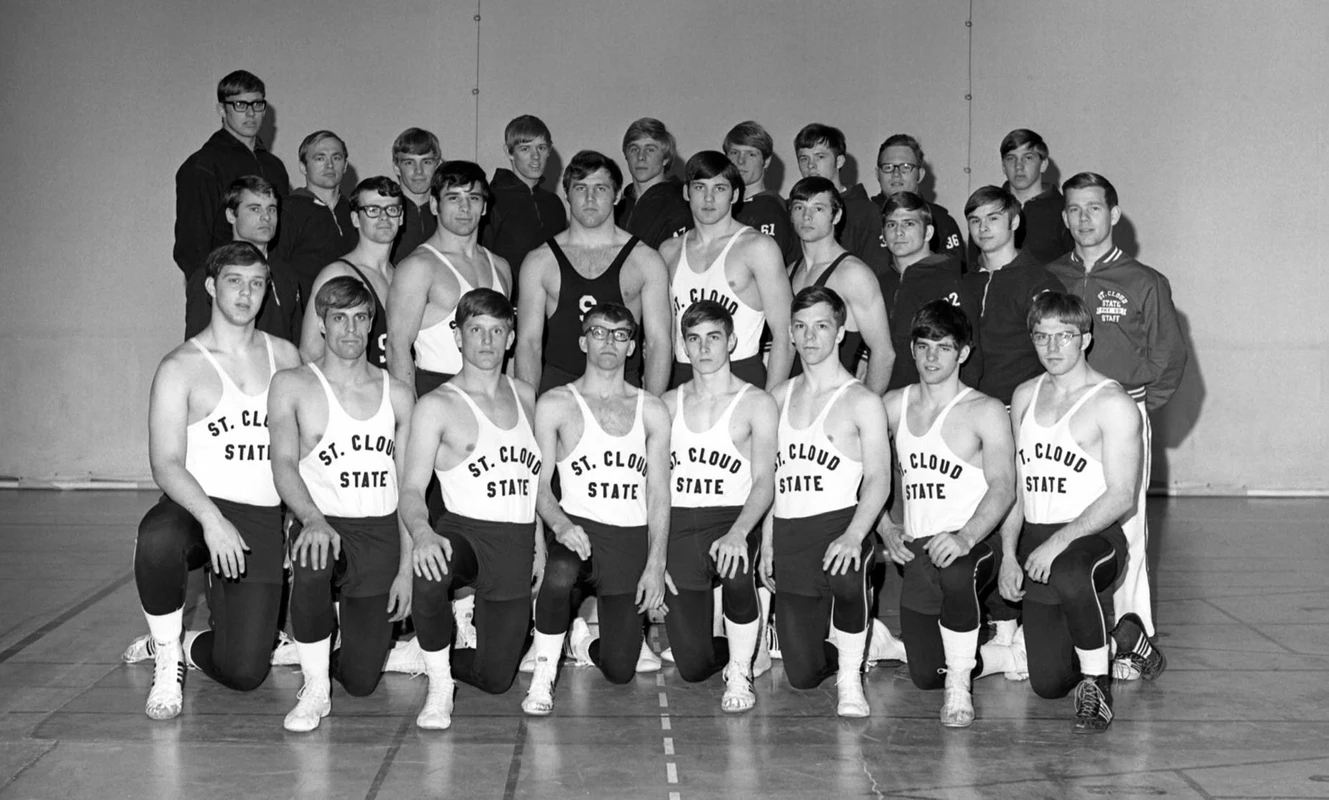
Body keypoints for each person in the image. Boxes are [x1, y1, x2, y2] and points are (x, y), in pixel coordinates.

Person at [122, 242, 302, 720]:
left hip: (260, 514)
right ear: (210, 286)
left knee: (245, 672)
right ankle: (166, 658)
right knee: (158, 539)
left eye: (257, 283)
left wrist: (296, 518)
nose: (246, 293)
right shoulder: (180, 366)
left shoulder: (285, 356)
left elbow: (302, 448)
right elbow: (165, 463)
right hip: (195, 506)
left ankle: (185, 642)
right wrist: (211, 519)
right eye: (234, 281)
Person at [1000, 291, 1167, 733]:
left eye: (1064, 336)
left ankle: (1097, 685)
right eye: (1042, 336)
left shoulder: (1112, 403)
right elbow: (1017, 487)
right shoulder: (1022, 397)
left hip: (1094, 540)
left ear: (1086, 338)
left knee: (1072, 572)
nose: (1053, 348)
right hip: (1036, 539)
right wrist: (1008, 554)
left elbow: (1121, 496)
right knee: (1049, 684)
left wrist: (1057, 543)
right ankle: (1124, 638)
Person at [384, 289, 543, 729]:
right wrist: (423, 533)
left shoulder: (527, 395)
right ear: (457, 337)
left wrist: (541, 545)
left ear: (511, 338)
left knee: (496, 681)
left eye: (497, 331)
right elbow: (412, 489)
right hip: (464, 533)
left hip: (514, 541)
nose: (487, 341)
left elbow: (536, 483)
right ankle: (439, 684)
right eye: (475, 330)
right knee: (431, 569)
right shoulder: (436, 405)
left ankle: (434, 646)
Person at [1046, 172, 1188, 656]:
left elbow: (1169, 356)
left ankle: (1131, 639)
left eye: (1093, 208)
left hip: (1119, 417)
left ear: (1114, 214)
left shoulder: (1143, 281)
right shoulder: (1048, 277)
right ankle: (1067, 635)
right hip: (1059, 420)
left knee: (1126, 526)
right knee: (1058, 521)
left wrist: (1137, 405)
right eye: (1074, 210)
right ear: (1063, 217)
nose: (1084, 218)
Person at [267, 277, 415, 732]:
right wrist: (310, 519)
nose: (351, 329)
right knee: (313, 561)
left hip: (380, 532)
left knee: (362, 681)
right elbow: (284, 464)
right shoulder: (291, 384)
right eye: (339, 318)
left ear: (372, 324)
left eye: (361, 318)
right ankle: (314, 686)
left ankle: (326, 636)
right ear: (323, 325)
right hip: (323, 523)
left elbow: (411, 487)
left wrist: (406, 569)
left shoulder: (399, 392)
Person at [522, 303, 671, 715]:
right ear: (583, 340)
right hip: (579, 532)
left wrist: (656, 562)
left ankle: (582, 642)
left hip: (627, 541)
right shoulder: (555, 403)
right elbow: (537, 483)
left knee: (621, 671)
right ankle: (543, 676)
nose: (609, 341)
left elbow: (659, 494)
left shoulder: (652, 409)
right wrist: (559, 525)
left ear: (632, 346)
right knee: (560, 572)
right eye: (600, 332)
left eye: (620, 334)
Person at [878, 301, 1016, 727]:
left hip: (973, 541)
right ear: (913, 351)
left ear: (964, 353)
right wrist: (885, 527)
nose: (932, 356)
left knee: (957, 571)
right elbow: (860, 471)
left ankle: (961, 684)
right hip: (920, 547)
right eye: (923, 346)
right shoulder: (893, 405)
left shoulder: (985, 410)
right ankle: (1004, 654)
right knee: (923, 676)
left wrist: (966, 537)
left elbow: (1005, 486)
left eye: (943, 346)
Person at [762, 286, 890, 717]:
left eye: (821, 326)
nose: (810, 336)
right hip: (791, 532)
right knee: (801, 674)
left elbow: (879, 480)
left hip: (840, 527)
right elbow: (768, 479)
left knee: (851, 575)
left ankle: (851, 678)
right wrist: (767, 539)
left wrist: (855, 536)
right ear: (790, 335)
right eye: (800, 327)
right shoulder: (776, 399)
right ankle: (847, 652)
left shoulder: (863, 401)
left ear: (839, 333)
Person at [662, 300, 777, 712]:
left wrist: (739, 532)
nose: (704, 348)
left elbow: (766, 480)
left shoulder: (756, 402)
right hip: (680, 526)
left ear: (731, 341)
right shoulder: (667, 404)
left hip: (732, 520)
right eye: (694, 339)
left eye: (714, 338)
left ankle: (741, 669)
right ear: (684, 347)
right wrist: (655, 552)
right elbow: (652, 484)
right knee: (692, 668)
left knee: (736, 564)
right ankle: (742, 643)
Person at [516, 150, 672, 395]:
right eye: (580, 188)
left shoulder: (645, 260)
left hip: (624, 391)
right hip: (558, 393)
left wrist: (653, 406)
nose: (590, 198)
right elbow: (528, 345)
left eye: (600, 188)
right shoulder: (539, 261)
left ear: (617, 195)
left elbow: (657, 344)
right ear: (566, 194)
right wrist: (528, 408)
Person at [662, 151, 793, 390]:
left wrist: (772, 401)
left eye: (720, 189)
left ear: (735, 194)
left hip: (742, 378)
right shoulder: (668, 251)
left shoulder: (757, 248)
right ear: (685, 192)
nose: (709, 198)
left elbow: (786, 334)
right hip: (684, 379)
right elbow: (663, 340)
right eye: (700, 187)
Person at [387, 161, 512, 397]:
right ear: (435, 205)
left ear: (484, 206)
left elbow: (508, 344)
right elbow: (397, 347)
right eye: (453, 198)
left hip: (492, 394)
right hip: (436, 393)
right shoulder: (419, 267)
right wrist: (411, 417)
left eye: (473, 198)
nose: (465, 208)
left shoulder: (501, 267)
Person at [174, 70, 290, 280]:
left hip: (273, 288)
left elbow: (284, 238)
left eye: (257, 104)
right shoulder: (203, 165)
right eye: (240, 105)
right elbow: (192, 248)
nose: (250, 113)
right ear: (221, 109)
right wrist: (212, 294)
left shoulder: (274, 167)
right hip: (226, 289)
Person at [786, 176, 894, 393]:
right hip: (797, 400)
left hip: (838, 404)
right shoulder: (789, 271)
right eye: (799, 207)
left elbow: (884, 353)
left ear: (836, 216)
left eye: (818, 208)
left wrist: (865, 410)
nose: (807, 216)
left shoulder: (853, 274)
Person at [961, 185, 1064, 406]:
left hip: (1020, 407)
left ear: (1014, 222)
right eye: (975, 220)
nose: (983, 227)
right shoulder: (963, 282)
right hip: (966, 407)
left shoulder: (1039, 282)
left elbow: (1060, 354)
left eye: (993, 218)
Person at [299, 177, 404, 367]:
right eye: (373, 210)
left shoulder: (403, 275)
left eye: (392, 209)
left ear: (401, 217)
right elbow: (310, 353)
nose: (384, 217)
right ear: (356, 219)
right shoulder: (338, 274)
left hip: (394, 391)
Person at [881, 192, 979, 392]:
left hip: (935, 408)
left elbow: (972, 362)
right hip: (889, 404)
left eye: (909, 224)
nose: (898, 232)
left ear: (928, 233)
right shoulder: (878, 283)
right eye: (891, 224)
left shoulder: (951, 282)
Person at [185, 176, 302, 342]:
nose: (266, 217)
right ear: (231, 215)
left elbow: (296, 342)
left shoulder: (286, 273)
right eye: (255, 209)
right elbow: (196, 350)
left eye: (271, 209)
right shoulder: (210, 274)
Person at [482, 115, 568, 294]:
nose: (535, 157)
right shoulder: (491, 200)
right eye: (525, 148)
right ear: (509, 152)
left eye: (541, 148)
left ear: (549, 150)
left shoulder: (554, 204)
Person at [966, 129, 1074, 267]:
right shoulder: (985, 207)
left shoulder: (1064, 209)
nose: (1018, 166)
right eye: (1011, 159)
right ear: (1003, 166)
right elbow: (974, 265)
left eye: (1028, 158)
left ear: (1043, 164)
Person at [793, 124, 887, 277]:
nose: (811, 165)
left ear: (839, 161)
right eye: (804, 158)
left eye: (820, 157)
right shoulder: (793, 209)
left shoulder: (867, 212)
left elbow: (876, 272)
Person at [275, 130, 359, 299]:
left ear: (345, 165)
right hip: (306, 316)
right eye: (320, 158)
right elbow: (276, 271)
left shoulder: (356, 210)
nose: (329, 165)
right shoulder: (287, 211)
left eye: (336, 158)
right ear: (303, 167)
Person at [869, 134, 965, 266]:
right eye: (888, 167)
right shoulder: (861, 218)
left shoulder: (941, 221)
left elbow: (955, 273)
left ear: (920, 174)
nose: (896, 174)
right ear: (877, 174)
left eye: (906, 167)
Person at [723, 121, 799, 267]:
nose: (740, 161)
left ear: (766, 161)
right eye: (734, 153)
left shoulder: (771, 211)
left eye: (751, 154)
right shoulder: (722, 207)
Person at [615, 118, 692, 249]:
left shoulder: (681, 205)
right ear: (626, 155)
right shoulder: (618, 209)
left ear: (666, 158)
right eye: (634, 149)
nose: (641, 157)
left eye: (650, 149)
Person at [389, 128, 442, 264]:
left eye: (426, 162)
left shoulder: (450, 213)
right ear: (396, 167)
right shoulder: (383, 214)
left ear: (438, 166)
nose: (419, 171)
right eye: (409, 162)